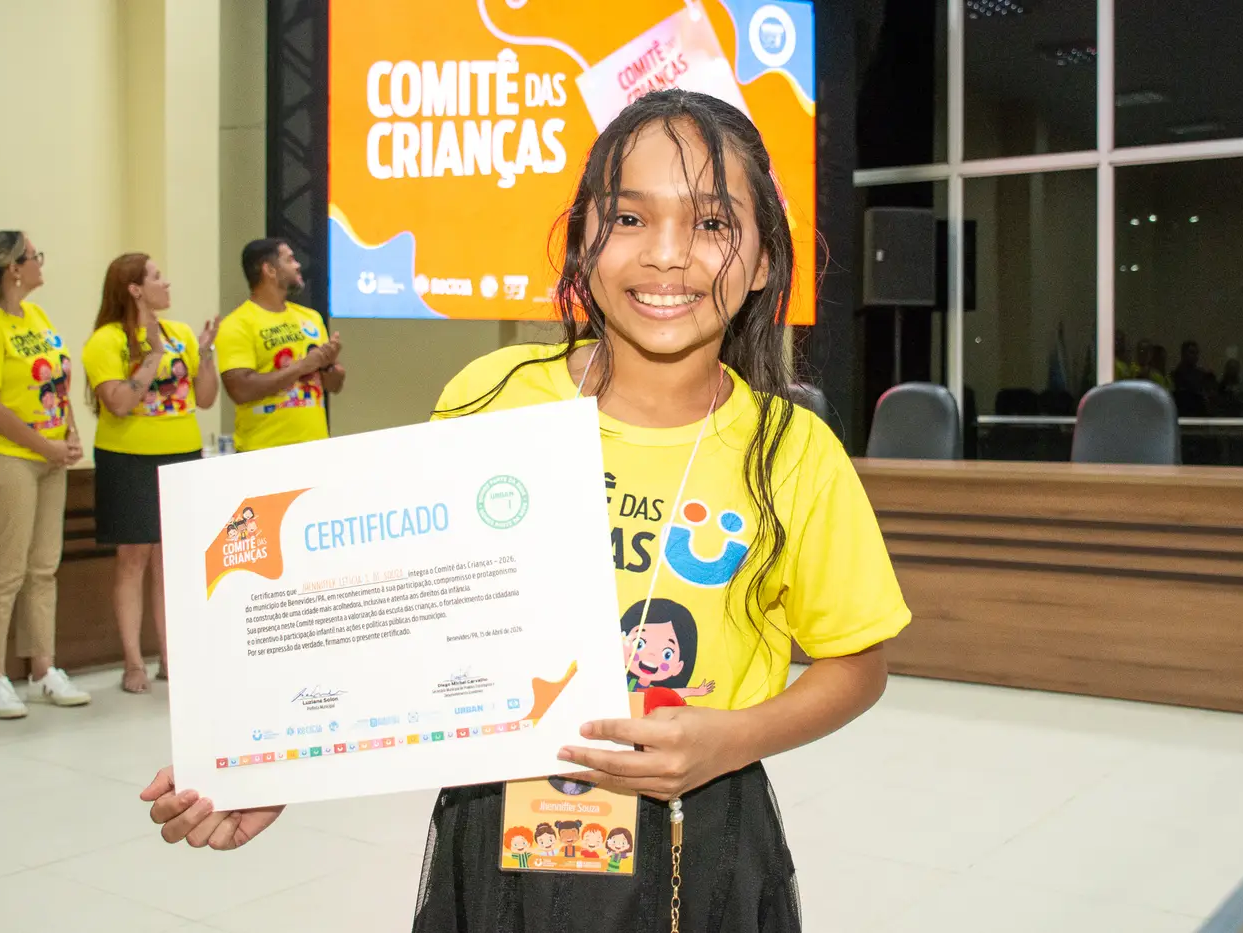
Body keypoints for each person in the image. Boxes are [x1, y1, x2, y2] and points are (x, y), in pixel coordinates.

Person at [141, 91, 910, 932]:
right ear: (583, 241)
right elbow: (404, 616)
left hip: (701, 834)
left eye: (713, 224)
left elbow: (856, 662)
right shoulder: (492, 396)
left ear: (763, 260)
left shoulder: (791, 449)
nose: (666, 255)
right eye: (628, 217)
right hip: (500, 824)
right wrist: (274, 759)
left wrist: (734, 737)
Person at [0, 230, 91, 719]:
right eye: (34, 256)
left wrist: (69, 435)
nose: (39, 263)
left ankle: (43, 669)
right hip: (0, 454)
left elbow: (56, 384)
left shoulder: (37, 317)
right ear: (13, 267)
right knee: (5, 570)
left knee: (43, 566)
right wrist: (44, 445)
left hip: (48, 453)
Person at [82, 254, 219, 693]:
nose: (167, 283)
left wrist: (206, 353)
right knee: (133, 557)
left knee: (170, 561)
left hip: (181, 454)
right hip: (129, 458)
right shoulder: (106, 340)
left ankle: (170, 657)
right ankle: (133, 663)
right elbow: (119, 403)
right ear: (135, 288)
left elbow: (205, 399)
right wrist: (153, 355)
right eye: (157, 277)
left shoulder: (180, 333)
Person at [215, 239, 344, 452]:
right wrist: (301, 367)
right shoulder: (237, 324)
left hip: (315, 445)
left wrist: (329, 366)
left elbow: (334, 386)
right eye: (290, 259)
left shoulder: (310, 318)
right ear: (269, 270)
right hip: (263, 451)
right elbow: (240, 390)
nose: (298, 265)